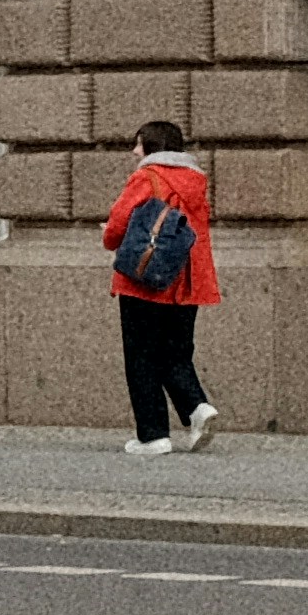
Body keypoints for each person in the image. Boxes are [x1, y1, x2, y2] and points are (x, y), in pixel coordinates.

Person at [99, 118, 222, 456]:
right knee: (175, 351)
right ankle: (197, 407)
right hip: (188, 280)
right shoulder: (196, 181)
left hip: (145, 279)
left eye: (139, 143)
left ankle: (153, 436)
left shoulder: (146, 176)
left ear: (152, 146)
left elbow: (118, 225)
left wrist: (109, 234)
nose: (135, 150)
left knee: (140, 356)